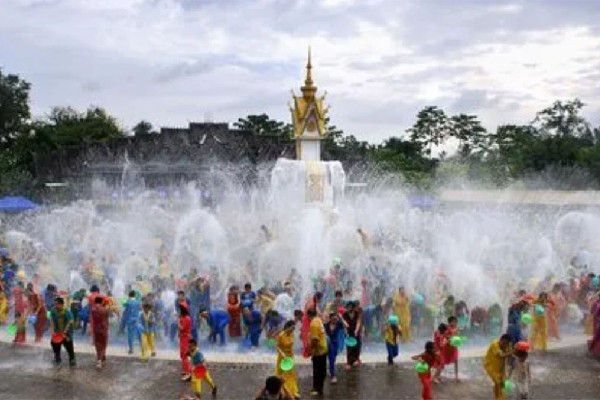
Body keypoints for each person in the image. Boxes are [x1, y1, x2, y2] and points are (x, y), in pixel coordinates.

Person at [275, 321, 300, 399]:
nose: (293, 330)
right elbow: (277, 347)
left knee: (291, 374)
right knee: (282, 374)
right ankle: (281, 390)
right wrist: (282, 354)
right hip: (282, 357)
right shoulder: (281, 335)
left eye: (294, 328)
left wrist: (292, 355)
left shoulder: (292, 334)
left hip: (290, 357)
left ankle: (293, 391)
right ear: (288, 327)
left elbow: (291, 346)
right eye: (292, 328)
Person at [483, 334, 513, 400]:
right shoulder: (494, 344)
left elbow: (509, 355)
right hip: (490, 366)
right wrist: (512, 352)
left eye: (506, 343)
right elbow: (501, 355)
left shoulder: (508, 346)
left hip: (500, 367)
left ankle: (498, 397)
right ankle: (499, 398)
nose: (504, 345)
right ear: (500, 340)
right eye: (503, 343)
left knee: (502, 382)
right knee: (498, 382)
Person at [49, 297, 76, 366]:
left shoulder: (67, 311)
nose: (55, 306)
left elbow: (69, 322)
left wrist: (64, 332)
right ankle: (57, 357)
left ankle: (72, 359)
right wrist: (52, 331)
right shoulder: (53, 310)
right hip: (57, 331)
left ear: (61, 304)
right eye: (55, 304)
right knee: (54, 343)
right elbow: (51, 320)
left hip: (67, 332)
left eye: (57, 304)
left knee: (68, 345)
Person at [308, 308, 327, 397]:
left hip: (318, 350)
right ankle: (320, 388)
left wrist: (311, 351)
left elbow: (315, 339)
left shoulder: (313, 324)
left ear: (309, 315)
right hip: (324, 348)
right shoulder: (319, 320)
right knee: (322, 370)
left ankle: (316, 388)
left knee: (317, 370)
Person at [325, 312, 345, 383]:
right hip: (327, 344)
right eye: (333, 319)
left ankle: (330, 370)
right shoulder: (326, 325)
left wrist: (341, 317)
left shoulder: (339, 324)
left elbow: (346, 326)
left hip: (335, 343)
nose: (334, 321)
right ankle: (333, 376)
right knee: (331, 359)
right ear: (330, 319)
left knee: (332, 359)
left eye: (335, 319)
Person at [342, 300, 362, 370]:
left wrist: (356, 330)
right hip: (349, 332)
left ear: (353, 307)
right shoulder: (345, 314)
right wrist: (346, 332)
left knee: (357, 346)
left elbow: (358, 322)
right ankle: (348, 363)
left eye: (350, 307)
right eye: (347, 307)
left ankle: (356, 359)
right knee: (349, 347)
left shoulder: (357, 313)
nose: (348, 308)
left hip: (356, 331)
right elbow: (344, 324)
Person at [91, 295, 109, 368]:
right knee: (103, 343)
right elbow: (107, 318)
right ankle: (101, 359)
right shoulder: (105, 310)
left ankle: (99, 358)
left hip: (96, 329)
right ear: (102, 301)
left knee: (98, 344)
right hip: (104, 329)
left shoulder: (93, 309)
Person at [121, 290, 141, 355]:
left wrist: (124, 298)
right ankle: (142, 347)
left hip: (129, 320)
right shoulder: (138, 302)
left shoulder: (128, 302)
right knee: (138, 334)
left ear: (129, 296)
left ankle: (131, 349)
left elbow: (123, 304)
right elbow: (140, 309)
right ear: (134, 295)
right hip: (136, 320)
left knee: (130, 335)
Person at [443, 316, 460, 382]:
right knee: (442, 361)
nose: (455, 323)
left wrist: (457, 336)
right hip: (447, 347)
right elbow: (445, 337)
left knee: (456, 360)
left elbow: (457, 337)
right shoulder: (447, 328)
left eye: (456, 322)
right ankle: (437, 374)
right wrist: (452, 337)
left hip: (453, 347)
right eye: (453, 322)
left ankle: (456, 376)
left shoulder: (456, 328)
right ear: (449, 322)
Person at [179, 305, 193, 381]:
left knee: (185, 355)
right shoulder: (184, 317)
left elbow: (182, 328)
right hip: (183, 337)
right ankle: (185, 370)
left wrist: (178, 323)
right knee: (182, 354)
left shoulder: (186, 318)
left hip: (185, 338)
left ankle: (189, 373)